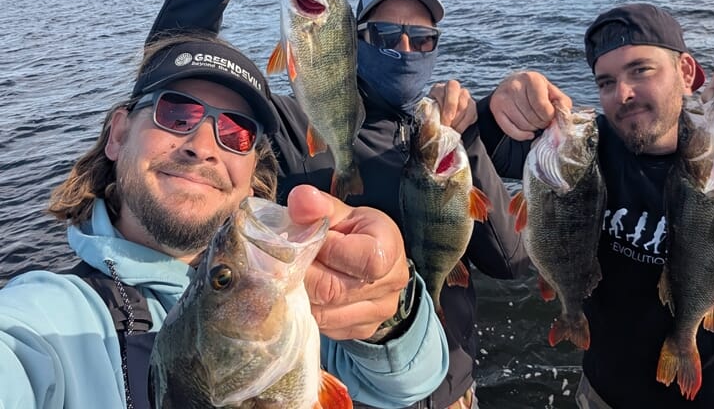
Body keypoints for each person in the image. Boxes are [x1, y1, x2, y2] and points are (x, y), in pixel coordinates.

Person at [148, 0, 531, 408]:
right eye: (385, 35)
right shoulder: (295, 127)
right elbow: (175, 69)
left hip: (452, 391)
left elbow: (510, 261)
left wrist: (473, 137)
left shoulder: (444, 138)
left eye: (422, 38)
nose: (405, 49)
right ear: (350, 36)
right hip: (340, 390)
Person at [0, 31, 449, 408]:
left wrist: (390, 308)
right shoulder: (44, 321)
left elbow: (411, 380)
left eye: (236, 132)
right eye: (176, 113)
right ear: (119, 134)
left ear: (253, 170)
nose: (203, 145)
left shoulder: (288, 289)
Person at [475, 2, 714, 408]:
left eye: (641, 70)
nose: (623, 95)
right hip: (603, 396)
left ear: (685, 72)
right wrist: (498, 105)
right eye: (606, 82)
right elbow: (476, 145)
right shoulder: (583, 152)